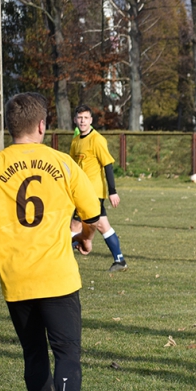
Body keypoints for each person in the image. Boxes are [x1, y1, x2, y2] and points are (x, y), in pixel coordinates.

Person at [0, 93, 100, 391]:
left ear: (9, 126)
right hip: (57, 276)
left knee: (33, 355)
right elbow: (92, 214)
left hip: (16, 279)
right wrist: (84, 236)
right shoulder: (62, 163)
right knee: (66, 352)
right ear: (42, 125)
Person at [69, 105, 127, 272]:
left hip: (92, 192)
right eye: (80, 118)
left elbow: (107, 165)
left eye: (86, 118)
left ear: (91, 121)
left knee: (75, 225)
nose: (82, 121)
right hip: (81, 191)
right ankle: (119, 260)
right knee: (103, 225)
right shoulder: (75, 141)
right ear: (75, 120)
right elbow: (73, 167)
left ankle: (63, 261)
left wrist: (113, 191)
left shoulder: (97, 139)